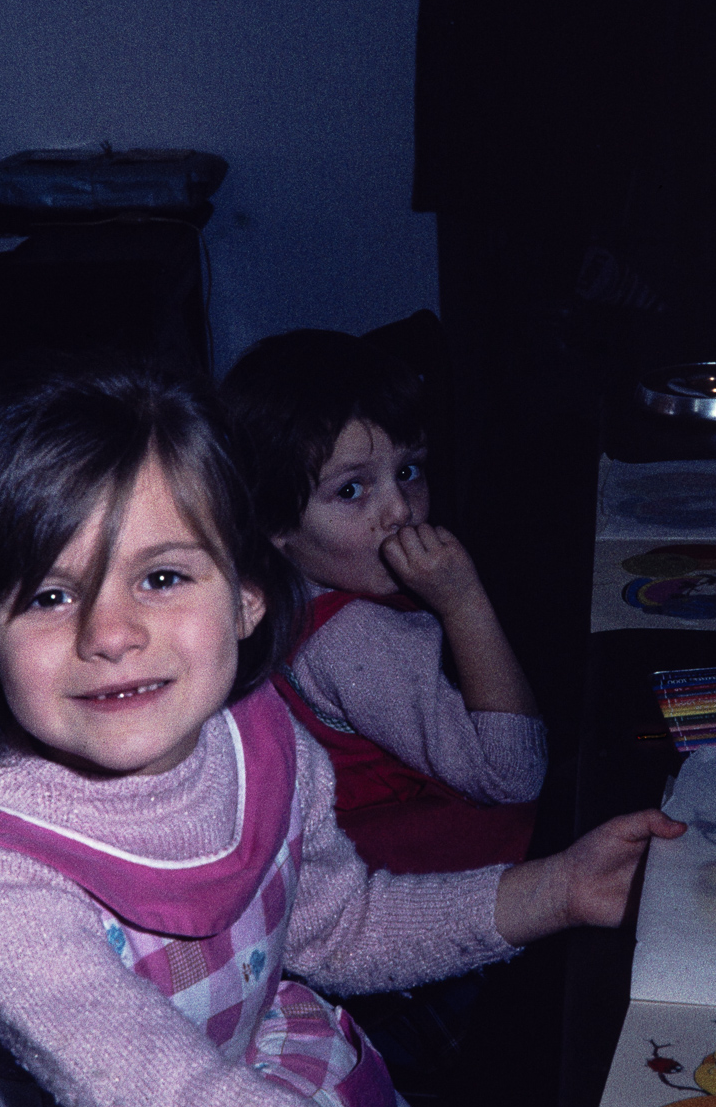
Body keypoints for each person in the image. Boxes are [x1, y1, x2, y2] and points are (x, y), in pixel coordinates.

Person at [0, 358, 683, 1107]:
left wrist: (555, 891)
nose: (110, 633)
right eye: (50, 595)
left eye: (161, 576)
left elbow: (337, 926)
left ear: (250, 597)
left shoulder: (257, 733)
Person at [221, 329, 544, 877]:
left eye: (408, 471)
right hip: (431, 868)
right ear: (274, 522)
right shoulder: (357, 637)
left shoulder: (275, 595)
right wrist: (466, 604)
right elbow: (513, 776)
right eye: (351, 490)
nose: (400, 511)